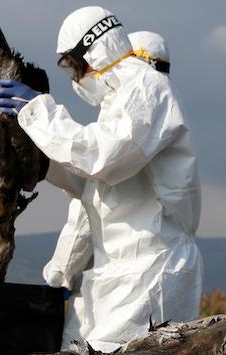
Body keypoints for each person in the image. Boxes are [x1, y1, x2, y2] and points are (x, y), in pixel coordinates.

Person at [0, 7, 202, 352]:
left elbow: (104, 158)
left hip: (150, 269)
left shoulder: (147, 88)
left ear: (94, 49)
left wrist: (39, 112)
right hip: (113, 275)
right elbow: (94, 190)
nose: (75, 78)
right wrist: (40, 165)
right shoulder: (118, 101)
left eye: (75, 65)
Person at [44, 29, 173, 308]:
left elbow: (86, 213)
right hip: (166, 280)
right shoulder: (166, 119)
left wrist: (59, 275)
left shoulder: (135, 119)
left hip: (120, 288)